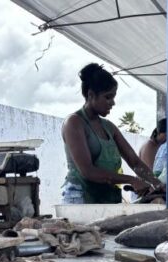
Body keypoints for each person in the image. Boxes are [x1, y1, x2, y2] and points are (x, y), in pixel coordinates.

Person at [62, 63, 161, 204]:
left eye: (113, 97)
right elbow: (88, 171)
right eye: (108, 97)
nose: (112, 103)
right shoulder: (74, 123)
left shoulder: (109, 127)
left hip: (105, 197)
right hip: (80, 198)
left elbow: (134, 162)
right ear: (91, 95)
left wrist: (157, 183)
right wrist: (132, 180)